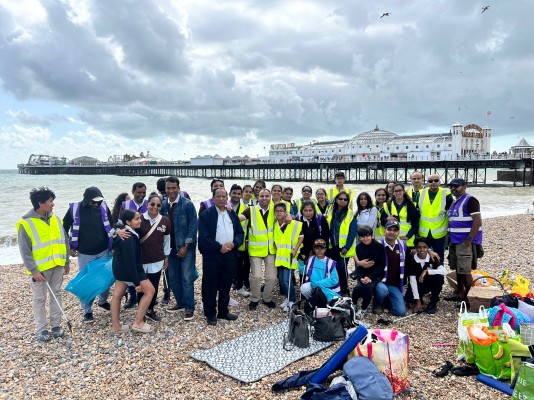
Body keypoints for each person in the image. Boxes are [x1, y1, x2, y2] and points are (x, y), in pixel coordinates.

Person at [17, 187, 70, 341]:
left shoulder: (56, 219)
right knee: (39, 299)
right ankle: (41, 329)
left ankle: (56, 325)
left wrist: (66, 261)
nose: (53, 204)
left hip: (58, 265)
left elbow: (64, 240)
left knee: (56, 294)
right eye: (50, 201)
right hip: (40, 269)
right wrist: (33, 270)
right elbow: (25, 250)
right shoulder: (25, 223)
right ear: (40, 203)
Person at [63, 186, 113, 323]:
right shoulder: (74, 209)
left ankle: (103, 301)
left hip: (104, 251)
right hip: (84, 253)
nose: (96, 204)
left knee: (105, 279)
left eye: (98, 201)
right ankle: (87, 311)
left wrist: (113, 246)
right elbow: (64, 227)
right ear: (86, 200)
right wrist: (69, 247)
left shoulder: (103, 206)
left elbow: (112, 225)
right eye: (93, 202)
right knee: (86, 282)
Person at [198, 189, 244, 326]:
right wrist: (219, 247)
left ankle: (223, 311)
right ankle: (210, 313)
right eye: (218, 196)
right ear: (213, 198)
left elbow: (240, 233)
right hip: (213, 255)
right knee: (210, 284)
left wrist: (234, 243)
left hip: (230, 254)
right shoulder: (206, 215)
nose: (222, 199)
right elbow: (204, 238)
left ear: (227, 198)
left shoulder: (231, 213)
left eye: (224, 196)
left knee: (226, 284)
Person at [111, 210, 155, 334]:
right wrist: (136, 283)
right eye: (136, 219)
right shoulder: (128, 237)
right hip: (129, 271)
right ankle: (138, 323)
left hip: (119, 270)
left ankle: (115, 327)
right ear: (128, 222)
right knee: (150, 291)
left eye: (139, 218)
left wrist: (116, 230)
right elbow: (130, 261)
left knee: (117, 295)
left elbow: (114, 227)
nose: (140, 220)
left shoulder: (122, 231)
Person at [160, 176, 198, 321]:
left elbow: (193, 226)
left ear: (178, 188)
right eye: (168, 188)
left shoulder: (187, 205)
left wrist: (186, 246)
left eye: (173, 188)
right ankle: (180, 303)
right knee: (173, 279)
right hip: (169, 249)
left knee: (186, 278)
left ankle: (189, 307)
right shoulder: (163, 205)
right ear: (165, 189)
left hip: (185, 247)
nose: (171, 191)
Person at [239, 188, 277, 310]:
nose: (264, 198)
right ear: (257, 198)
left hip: (270, 249)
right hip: (255, 250)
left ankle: (267, 298)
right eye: (262, 196)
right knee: (256, 276)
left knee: (271, 277)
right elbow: (239, 218)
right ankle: (255, 298)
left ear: (270, 197)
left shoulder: (274, 210)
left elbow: (287, 217)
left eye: (267, 196)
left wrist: (289, 216)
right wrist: (227, 213)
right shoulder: (251, 209)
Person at [446, 178, 483, 302]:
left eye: (456, 186)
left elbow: (477, 221)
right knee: (458, 268)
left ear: (464, 186)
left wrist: (469, 239)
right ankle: (460, 293)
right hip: (455, 240)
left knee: (465, 270)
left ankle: (471, 299)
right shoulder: (455, 201)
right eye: (451, 186)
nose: (453, 188)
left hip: (464, 241)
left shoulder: (470, 200)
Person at [137, 193, 171, 322]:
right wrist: (118, 231)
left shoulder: (165, 221)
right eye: (152, 204)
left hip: (157, 259)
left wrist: (166, 257)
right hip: (141, 260)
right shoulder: (139, 218)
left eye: (158, 205)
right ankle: (141, 312)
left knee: (154, 286)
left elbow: (167, 240)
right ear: (147, 204)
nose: (155, 207)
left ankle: (150, 310)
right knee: (140, 288)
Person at [373, 220, 408, 317]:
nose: (392, 232)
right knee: (382, 290)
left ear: (398, 232)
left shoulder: (403, 245)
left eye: (395, 230)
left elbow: (415, 252)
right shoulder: (378, 245)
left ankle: (387, 300)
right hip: (380, 282)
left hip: (394, 285)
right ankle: (377, 304)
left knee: (400, 312)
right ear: (384, 230)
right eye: (389, 229)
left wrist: (430, 252)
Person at [273, 203, 304, 311]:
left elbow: (301, 236)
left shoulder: (293, 223)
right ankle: (287, 298)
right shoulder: (275, 224)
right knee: (281, 280)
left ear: (286, 212)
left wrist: (295, 249)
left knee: (287, 280)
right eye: (277, 211)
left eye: (281, 211)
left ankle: (292, 300)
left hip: (290, 256)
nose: (279, 213)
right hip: (280, 257)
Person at [327, 191, 358, 296]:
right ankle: (335, 288)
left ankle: (345, 290)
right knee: (333, 269)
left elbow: (352, 232)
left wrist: (347, 247)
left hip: (344, 248)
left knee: (342, 269)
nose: (343, 201)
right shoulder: (331, 210)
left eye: (345, 199)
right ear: (336, 200)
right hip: (333, 246)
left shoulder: (351, 214)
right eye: (340, 199)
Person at [351, 226, 385, 319]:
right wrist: (361, 277)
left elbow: (381, 266)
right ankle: (353, 304)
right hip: (363, 273)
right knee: (357, 288)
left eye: (367, 236)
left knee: (367, 288)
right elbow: (360, 266)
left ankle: (364, 308)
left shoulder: (379, 247)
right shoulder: (358, 248)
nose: (365, 239)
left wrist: (370, 277)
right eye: (362, 237)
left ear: (371, 235)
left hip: (376, 274)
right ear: (359, 237)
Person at [418, 174, 453, 262]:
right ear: (427, 183)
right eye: (430, 181)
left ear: (440, 182)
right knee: (423, 256)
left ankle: (438, 274)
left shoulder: (446, 194)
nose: (433, 182)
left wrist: (450, 232)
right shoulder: (421, 193)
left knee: (438, 257)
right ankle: (425, 274)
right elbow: (415, 211)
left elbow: (451, 214)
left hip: (439, 233)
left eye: (436, 180)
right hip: (424, 232)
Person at [406, 237, 445, 314]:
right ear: (416, 248)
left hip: (429, 283)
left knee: (439, 277)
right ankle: (419, 299)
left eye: (424, 247)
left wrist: (427, 271)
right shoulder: (411, 259)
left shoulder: (433, 258)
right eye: (419, 247)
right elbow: (412, 280)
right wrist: (417, 301)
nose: (422, 250)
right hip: (417, 284)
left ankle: (433, 301)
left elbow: (444, 271)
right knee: (409, 298)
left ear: (428, 248)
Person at [299, 239, 341, 304]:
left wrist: (317, 284)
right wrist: (301, 262)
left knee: (328, 301)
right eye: (317, 248)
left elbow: (334, 280)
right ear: (314, 249)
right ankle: (312, 301)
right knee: (304, 288)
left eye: (322, 248)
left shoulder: (330, 263)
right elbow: (304, 272)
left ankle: (321, 301)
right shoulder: (311, 259)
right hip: (314, 286)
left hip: (326, 288)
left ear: (325, 249)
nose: (319, 251)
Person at [229, 184, 251, 297]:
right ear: (230, 194)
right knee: (229, 266)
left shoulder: (246, 207)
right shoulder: (224, 205)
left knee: (240, 266)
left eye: (238, 193)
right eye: (234, 193)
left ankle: (239, 287)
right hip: (226, 241)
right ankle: (230, 287)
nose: (236, 196)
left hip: (241, 241)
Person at [297, 201, 330, 266]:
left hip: (319, 251)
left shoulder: (320, 219)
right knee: (304, 273)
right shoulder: (298, 221)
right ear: (302, 211)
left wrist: (319, 250)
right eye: (305, 211)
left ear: (314, 210)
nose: (308, 213)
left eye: (310, 210)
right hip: (304, 252)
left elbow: (326, 236)